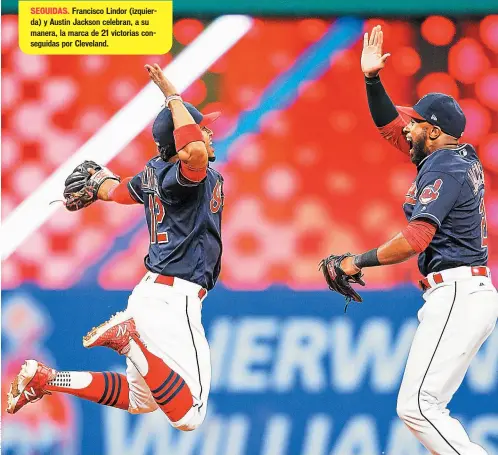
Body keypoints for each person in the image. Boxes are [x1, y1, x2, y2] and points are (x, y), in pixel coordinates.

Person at [7, 63, 224, 432]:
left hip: (150, 294)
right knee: (189, 415)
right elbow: (195, 154)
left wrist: (99, 185)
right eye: (201, 126)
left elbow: (115, 191)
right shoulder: (189, 174)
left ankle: (47, 379)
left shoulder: (154, 173)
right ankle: (128, 341)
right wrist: (173, 95)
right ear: (182, 142)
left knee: (143, 400)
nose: (208, 131)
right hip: (176, 298)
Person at [341, 25, 498, 454]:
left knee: (418, 407)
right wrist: (372, 80)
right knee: (422, 406)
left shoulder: (444, 166)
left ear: (433, 131)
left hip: (458, 293)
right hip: (462, 291)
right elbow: (389, 127)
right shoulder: (451, 155)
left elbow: (415, 238)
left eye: (415, 124)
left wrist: (358, 261)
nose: (406, 129)